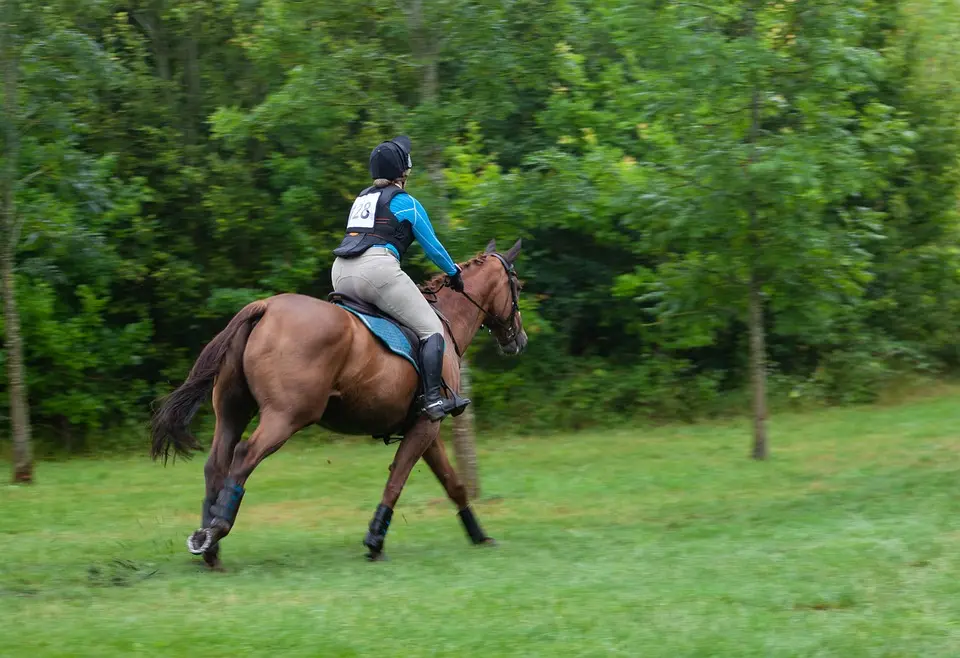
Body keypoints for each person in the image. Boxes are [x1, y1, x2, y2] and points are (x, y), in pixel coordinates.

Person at [331, 136, 469, 421]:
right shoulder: (407, 203)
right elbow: (433, 248)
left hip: (340, 273)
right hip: (376, 271)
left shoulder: (361, 199)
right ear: (402, 173)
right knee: (432, 329)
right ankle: (431, 400)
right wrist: (454, 273)